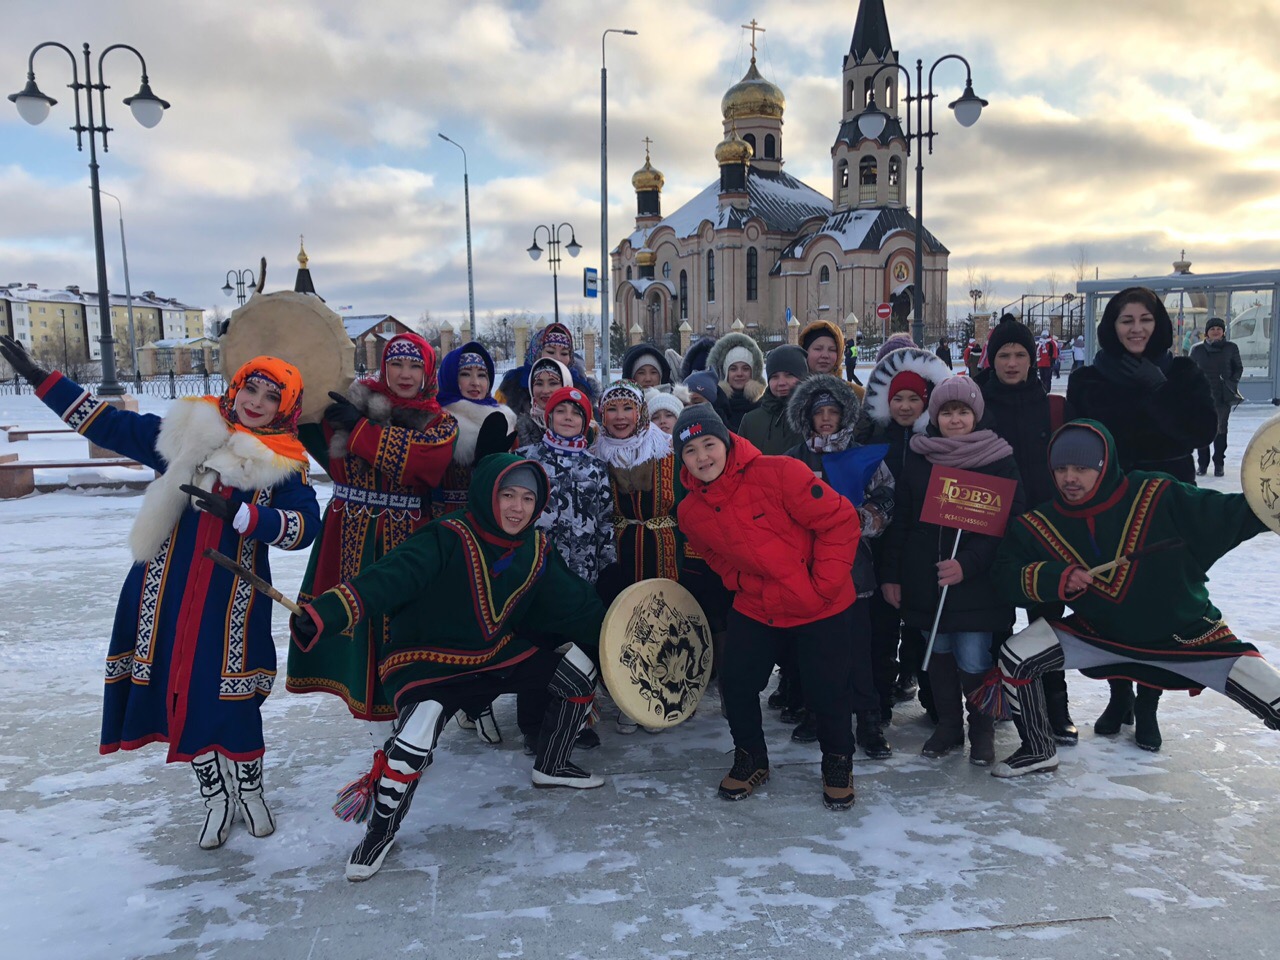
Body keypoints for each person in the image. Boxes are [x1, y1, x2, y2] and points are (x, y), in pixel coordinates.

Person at [0, 336, 321, 850]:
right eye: (251, 389)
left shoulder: (282, 461)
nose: (256, 403)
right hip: (163, 589)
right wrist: (43, 379)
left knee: (233, 698)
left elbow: (304, 527)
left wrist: (244, 515)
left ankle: (250, 788)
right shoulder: (189, 432)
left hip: (231, 602)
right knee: (179, 690)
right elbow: (109, 424)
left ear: (285, 407)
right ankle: (214, 796)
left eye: (270, 397)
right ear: (235, 388)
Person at [290, 455, 606, 880]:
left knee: (580, 669)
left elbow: (575, 604)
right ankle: (379, 832)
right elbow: (390, 576)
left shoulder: (535, 548)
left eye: (527, 498)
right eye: (507, 495)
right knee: (415, 737)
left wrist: (618, 630)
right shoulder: (446, 536)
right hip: (429, 660)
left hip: (495, 655)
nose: (516, 508)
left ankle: (552, 763)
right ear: (486, 495)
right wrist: (329, 610)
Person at [990, 421, 1280, 776]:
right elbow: (1004, 575)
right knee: (1017, 656)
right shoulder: (1041, 523)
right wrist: (1056, 578)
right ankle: (1037, 749)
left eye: (1081, 468)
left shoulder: (1157, 494)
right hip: (1099, 635)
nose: (1070, 478)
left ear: (1104, 465)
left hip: (1187, 638)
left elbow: (1233, 513)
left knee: (1272, 692)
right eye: (1061, 469)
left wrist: (1271, 502)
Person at [673, 404, 861, 810]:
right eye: (690, 451)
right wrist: (738, 581)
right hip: (758, 605)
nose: (702, 457)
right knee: (737, 682)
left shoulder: (779, 473)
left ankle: (837, 762)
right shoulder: (690, 511)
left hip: (821, 603)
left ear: (725, 442)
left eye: (709, 444)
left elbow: (840, 521)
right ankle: (751, 757)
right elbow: (713, 556)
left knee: (827, 688)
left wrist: (822, 586)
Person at [289, 334, 458, 736]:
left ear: (427, 372)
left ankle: (410, 725)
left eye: (415, 366)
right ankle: (383, 732)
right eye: (397, 364)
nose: (404, 374)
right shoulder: (351, 404)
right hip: (348, 532)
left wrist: (361, 430)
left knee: (401, 630)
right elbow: (300, 413)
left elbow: (424, 463)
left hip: (408, 540)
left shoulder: (440, 421)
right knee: (352, 622)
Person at [1067, 286, 1218, 734]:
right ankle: (1119, 697)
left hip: (1167, 503)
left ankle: (1149, 704)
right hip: (1109, 503)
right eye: (1126, 320)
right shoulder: (1090, 378)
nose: (1136, 329)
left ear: (1159, 324)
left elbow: (1200, 432)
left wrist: (1159, 391)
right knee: (1111, 602)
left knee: (1157, 603)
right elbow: (1081, 439)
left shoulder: (1182, 373)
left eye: (1144, 320)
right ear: (1112, 326)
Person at [880, 377, 1025, 766]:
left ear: (975, 415)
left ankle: (982, 729)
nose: (955, 419)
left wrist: (968, 564)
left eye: (962, 411)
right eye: (947, 412)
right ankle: (948, 725)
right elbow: (903, 521)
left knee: (975, 659)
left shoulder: (998, 459)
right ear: (936, 417)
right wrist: (893, 574)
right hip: (927, 579)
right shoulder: (922, 456)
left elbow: (1008, 526)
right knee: (937, 652)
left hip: (976, 585)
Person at [977, 318, 1078, 744]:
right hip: (993, 528)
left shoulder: (1052, 406)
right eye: (1004, 354)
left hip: (1045, 529)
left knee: (1046, 621)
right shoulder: (978, 404)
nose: (1013, 362)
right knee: (996, 619)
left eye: (1020, 354)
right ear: (992, 359)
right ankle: (1002, 697)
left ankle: (1056, 703)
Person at [784, 374, 894, 757]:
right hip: (809, 572)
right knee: (815, 650)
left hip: (854, 569)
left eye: (833, 411)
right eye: (820, 413)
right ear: (808, 418)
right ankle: (818, 712)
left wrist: (864, 519)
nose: (826, 419)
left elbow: (885, 497)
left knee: (857, 650)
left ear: (845, 414)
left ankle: (868, 720)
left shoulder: (864, 456)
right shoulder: (794, 459)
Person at [515, 386, 616, 753]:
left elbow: (605, 521)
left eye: (576, 412)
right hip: (538, 576)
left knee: (580, 654)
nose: (569, 418)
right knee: (537, 650)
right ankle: (533, 724)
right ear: (549, 417)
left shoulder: (595, 466)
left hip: (582, 577)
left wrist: (608, 568)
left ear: (586, 421)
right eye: (561, 411)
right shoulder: (528, 459)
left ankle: (577, 722)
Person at [858, 346, 953, 716]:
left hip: (922, 547)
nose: (905, 406)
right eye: (898, 398)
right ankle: (878, 703)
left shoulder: (935, 440)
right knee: (881, 630)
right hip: (881, 547)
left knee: (922, 630)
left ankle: (935, 703)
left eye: (914, 398)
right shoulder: (873, 439)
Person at [591, 380, 683, 732]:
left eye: (627, 408)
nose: (620, 416)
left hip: (664, 546)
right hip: (619, 547)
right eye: (612, 409)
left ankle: (663, 694)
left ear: (639, 412)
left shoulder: (666, 450)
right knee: (625, 623)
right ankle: (629, 699)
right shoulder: (596, 453)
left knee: (663, 620)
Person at [495, 322, 598, 421]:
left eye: (564, 353)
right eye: (550, 352)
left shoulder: (580, 389)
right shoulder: (513, 387)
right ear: (537, 353)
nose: (558, 358)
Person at [1189, 317, 1244, 477]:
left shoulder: (1231, 348)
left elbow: (1238, 368)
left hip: (1222, 396)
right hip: (1201, 397)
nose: (1215, 331)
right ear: (1206, 333)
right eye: (1212, 329)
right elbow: (1190, 370)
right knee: (1202, 431)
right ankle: (1202, 464)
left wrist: (1230, 383)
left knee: (1220, 430)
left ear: (1223, 332)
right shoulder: (1197, 350)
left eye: (1218, 329)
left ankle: (1219, 463)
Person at [737, 344, 809, 455]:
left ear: (803, 377)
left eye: (789, 375)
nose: (781, 383)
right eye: (775, 376)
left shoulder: (815, 417)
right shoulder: (750, 422)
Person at [706, 332, 765, 430]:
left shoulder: (763, 406)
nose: (739, 374)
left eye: (745, 368)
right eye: (733, 369)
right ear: (726, 373)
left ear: (753, 372)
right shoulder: (714, 407)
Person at [513, 356, 573, 447]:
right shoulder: (519, 429)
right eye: (539, 383)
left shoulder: (580, 425)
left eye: (553, 383)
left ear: (566, 385)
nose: (545, 391)